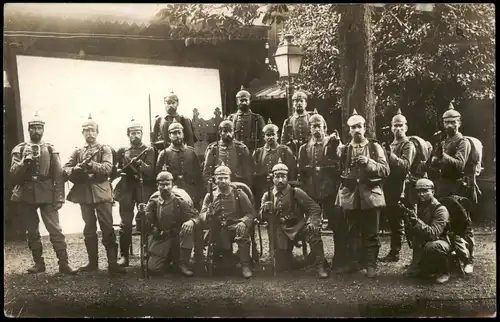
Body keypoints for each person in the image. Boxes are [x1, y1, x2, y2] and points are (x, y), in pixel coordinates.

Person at [10, 112, 77, 275]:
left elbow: (58, 175)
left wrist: (59, 197)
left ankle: (64, 263)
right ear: (28, 129)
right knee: (32, 230)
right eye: (33, 128)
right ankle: (38, 263)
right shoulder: (19, 149)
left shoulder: (50, 148)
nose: (36, 131)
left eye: (39, 128)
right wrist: (24, 163)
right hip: (26, 194)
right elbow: (13, 174)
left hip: (47, 192)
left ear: (43, 130)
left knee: (55, 229)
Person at [63, 114, 126, 274]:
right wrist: (75, 169)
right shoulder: (77, 151)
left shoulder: (104, 149)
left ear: (97, 132)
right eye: (86, 130)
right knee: (89, 229)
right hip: (84, 193)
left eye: (92, 130)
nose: (89, 133)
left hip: (102, 191)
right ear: (82, 133)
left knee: (107, 227)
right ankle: (92, 263)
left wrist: (91, 165)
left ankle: (113, 264)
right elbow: (65, 169)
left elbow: (107, 168)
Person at [335, 109, 390, 278]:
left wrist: (369, 163)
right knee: (352, 231)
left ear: (365, 128)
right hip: (351, 195)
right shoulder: (344, 149)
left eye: (359, 126)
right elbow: (338, 168)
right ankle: (354, 263)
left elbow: (385, 170)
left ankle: (371, 264)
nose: (357, 130)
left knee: (371, 231)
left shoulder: (374, 147)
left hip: (370, 195)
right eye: (353, 127)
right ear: (349, 130)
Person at [260, 160, 328, 278]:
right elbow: (261, 217)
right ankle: (299, 261)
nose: (280, 180)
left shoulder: (295, 192)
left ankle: (320, 266)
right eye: (277, 176)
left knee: (313, 232)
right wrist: (265, 210)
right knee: (283, 266)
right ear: (273, 178)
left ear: (287, 177)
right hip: (281, 231)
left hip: (299, 226)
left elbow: (314, 208)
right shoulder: (268, 195)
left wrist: (312, 222)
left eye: (283, 176)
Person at [430, 102, 475, 275]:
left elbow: (460, 164)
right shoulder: (443, 141)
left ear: (459, 122)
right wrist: (434, 161)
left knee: (463, 223)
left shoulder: (463, 142)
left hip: (458, 187)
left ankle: (469, 260)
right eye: (446, 122)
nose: (449, 125)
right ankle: (452, 259)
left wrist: (443, 156)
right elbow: (435, 165)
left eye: (453, 122)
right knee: (445, 223)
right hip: (443, 187)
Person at [297, 113, 344, 271]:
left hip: (330, 190)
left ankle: (339, 258)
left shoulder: (333, 144)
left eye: (319, 126)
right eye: (313, 126)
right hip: (312, 191)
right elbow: (302, 171)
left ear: (325, 128)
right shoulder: (305, 148)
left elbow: (339, 163)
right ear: (309, 129)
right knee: (313, 225)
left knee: (337, 223)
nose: (316, 129)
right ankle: (317, 257)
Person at [199, 163, 256, 279]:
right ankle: (221, 259)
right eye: (220, 178)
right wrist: (208, 214)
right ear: (215, 179)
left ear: (230, 179)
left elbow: (251, 213)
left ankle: (245, 265)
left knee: (242, 231)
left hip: (235, 227)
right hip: (218, 230)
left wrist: (243, 222)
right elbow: (202, 215)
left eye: (226, 178)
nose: (223, 181)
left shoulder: (238, 193)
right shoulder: (210, 196)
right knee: (224, 266)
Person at [140, 171, 201, 276]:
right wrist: (142, 213)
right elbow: (147, 223)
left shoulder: (180, 201)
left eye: (168, 184)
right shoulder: (153, 201)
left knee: (187, 230)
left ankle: (183, 263)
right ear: (157, 186)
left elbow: (197, 217)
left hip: (177, 236)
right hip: (161, 236)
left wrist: (191, 222)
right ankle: (167, 259)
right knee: (154, 269)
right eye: (162, 185)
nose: (165, 188)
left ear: (172, 185)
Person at [114, 118, 156, 267]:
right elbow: (114, 169)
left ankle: (146, 251)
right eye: (133, 133)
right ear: (128, 134)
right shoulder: (121, 151)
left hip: (143, 187)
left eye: (138, 132)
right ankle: (124, 255)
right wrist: (119, 171)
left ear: (142, 133)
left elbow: (151, 171)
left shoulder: (149, 150)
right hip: (126, 188)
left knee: (145, 220)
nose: (135, 135)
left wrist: (141, 165)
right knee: (125, 223)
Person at [379, 109, 416, 263]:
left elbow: (406, 166)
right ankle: (389, 252)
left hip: (401, 186)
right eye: (395, 126)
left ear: (406, 127)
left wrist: (390, 155)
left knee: (401, 220)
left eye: (401, 125)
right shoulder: (390, 144)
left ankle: (398, 252)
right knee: (389, 218)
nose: (398, 129)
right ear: (391, 127)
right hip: (387, 185)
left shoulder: (408, 144)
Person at [402, 178, 452, 284]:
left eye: (425, 191)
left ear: (433, 192)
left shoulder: (440, 209)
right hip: (423, 244)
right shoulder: (420, 206)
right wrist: (408, 222)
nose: (421, 194)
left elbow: (434, 234)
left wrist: (416, 222)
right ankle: (426, 265)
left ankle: (444, 272)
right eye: (419, 191)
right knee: (413, 273)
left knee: (433, 247)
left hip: (441, 242)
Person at [156, 121, 203, 208]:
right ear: (169, 136)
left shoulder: (191, 152)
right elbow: (159, 178)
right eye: (174, 133)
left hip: (191, 194)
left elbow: (198, 176)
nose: (177, 135)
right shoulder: (164, 154)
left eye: (179, 133)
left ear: (183, 134)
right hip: (172, 194)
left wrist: (199, 196)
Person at [252, 119, 297, 208]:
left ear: (277, 136)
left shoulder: (285, 150)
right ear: (264, 137)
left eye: (273, 134)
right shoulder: (258, 152)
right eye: (268, 135)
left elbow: (292, 171)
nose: (271, 137)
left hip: (281, 187)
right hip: (263, 187)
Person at [203, 120, 253, 189]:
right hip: (217, 188)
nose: (228, 134)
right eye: (225, 131)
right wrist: (214, 188)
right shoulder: (213, 149)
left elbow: (248, 174)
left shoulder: (241, 149)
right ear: (220, 132)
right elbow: (206, 174)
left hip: (237, 187)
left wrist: (243, 188)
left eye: (230, 131)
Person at [227, 86, 266, 153]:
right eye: (241, 100)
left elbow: (263, 138)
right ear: (237, 102)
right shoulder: (231, 118)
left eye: (246, 100)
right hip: (236, 151)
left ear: (249, 101)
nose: (244, 103)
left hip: (252, 151)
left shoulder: (257, 118)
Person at [281, 90, 313, 156]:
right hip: (294, 152)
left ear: (306, 104)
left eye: (301, 101)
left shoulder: (311, 118)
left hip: (310, 151)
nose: (299, 103)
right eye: (296, 101)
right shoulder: (288, 121)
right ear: (293, 104)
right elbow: (283, 141)